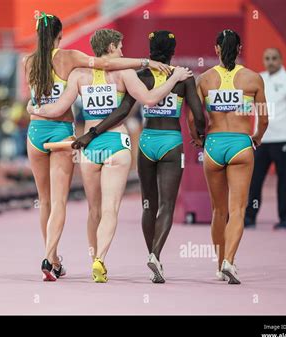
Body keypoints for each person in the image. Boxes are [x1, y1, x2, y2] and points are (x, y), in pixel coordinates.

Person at [28, 28, 192, 282]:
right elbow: (149, 100)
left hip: (90, 148)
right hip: (115, 142)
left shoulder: (79, 75)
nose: (123, 51)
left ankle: (85, 257)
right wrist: (174, 78)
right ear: (113, 47)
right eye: (121, 47)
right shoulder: (125, 73)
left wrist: (33, 107)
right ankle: (99, 261)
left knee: (93, 210)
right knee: (110, 209)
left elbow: (59, 108)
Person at [72, 30, 205, 283]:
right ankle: (154, 255)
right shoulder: (181, 77)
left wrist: (89, 133)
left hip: (144, 143)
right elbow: (198, 115)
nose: (123, 50)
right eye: (120, 46)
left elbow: (123, 110)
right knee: (165, 204)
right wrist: (201, 136)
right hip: (170, 143)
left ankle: (97, 260)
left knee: (144, 204)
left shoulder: (137, 74)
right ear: (173, 51)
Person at [194, 30, 268, 284]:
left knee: (218, 210)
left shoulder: (203, 79)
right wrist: (256, 137)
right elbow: (264, 117)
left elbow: (194, 117)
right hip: (240, 145)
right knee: (237, 209)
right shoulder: (253, 78)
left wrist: (198, 138)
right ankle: (230, 261)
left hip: (213, 146)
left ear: (216, 49)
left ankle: (218, 264)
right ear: (240, 49)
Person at [244, 48, 286, 230]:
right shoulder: (258, 78)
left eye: (274, 58)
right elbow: (246, 104)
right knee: (254, 180)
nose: (270, 61)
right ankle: (249, 217)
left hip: (282, 138)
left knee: (284, 181)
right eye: (267, 58)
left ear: (280, 60)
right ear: (263, 60)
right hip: (260, 138)